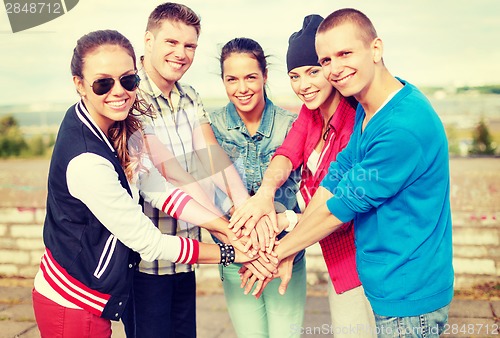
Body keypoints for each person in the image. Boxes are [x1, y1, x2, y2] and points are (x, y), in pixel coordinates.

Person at [245, 8, 454, 338]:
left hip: (408, 293)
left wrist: (279, 251)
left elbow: (341, 208)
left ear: (375, 49)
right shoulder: (372, 108)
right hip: (385, 278)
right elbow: (335, 178)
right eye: (326, 60)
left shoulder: (401, 127)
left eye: (345, 54)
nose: (335, 68)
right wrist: (284, 240)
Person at [31, 29, 251, 338]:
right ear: (79, 85)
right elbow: (149, 242)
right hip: (72, 305)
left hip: (88, 298)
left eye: (128, 80)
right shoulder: (88, 161)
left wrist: (224, 227)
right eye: (103, 83)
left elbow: (157, 188)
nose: (118, 91)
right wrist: (232, 252)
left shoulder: (113, 125)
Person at [233, 15, 376, 337]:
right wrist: (265, 194)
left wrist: (287, 232)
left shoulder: (354, 122)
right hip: (336, 255)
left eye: (313, 71)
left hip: (365, 256)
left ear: (329, 68)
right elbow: (286, 154)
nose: (304, 85)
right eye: (294, 76)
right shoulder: (311, 115)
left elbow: (340, 205)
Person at [208, 37, 306, 338]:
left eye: (251, 77)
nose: (242, 88)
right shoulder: (210, 128)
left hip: (286, 256)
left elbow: (306, 195)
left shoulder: (293, 125)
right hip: (236, 257)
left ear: (265, 75)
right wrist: (247, 246)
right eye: (232, 79)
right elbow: (209, 198)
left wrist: (280, 250)